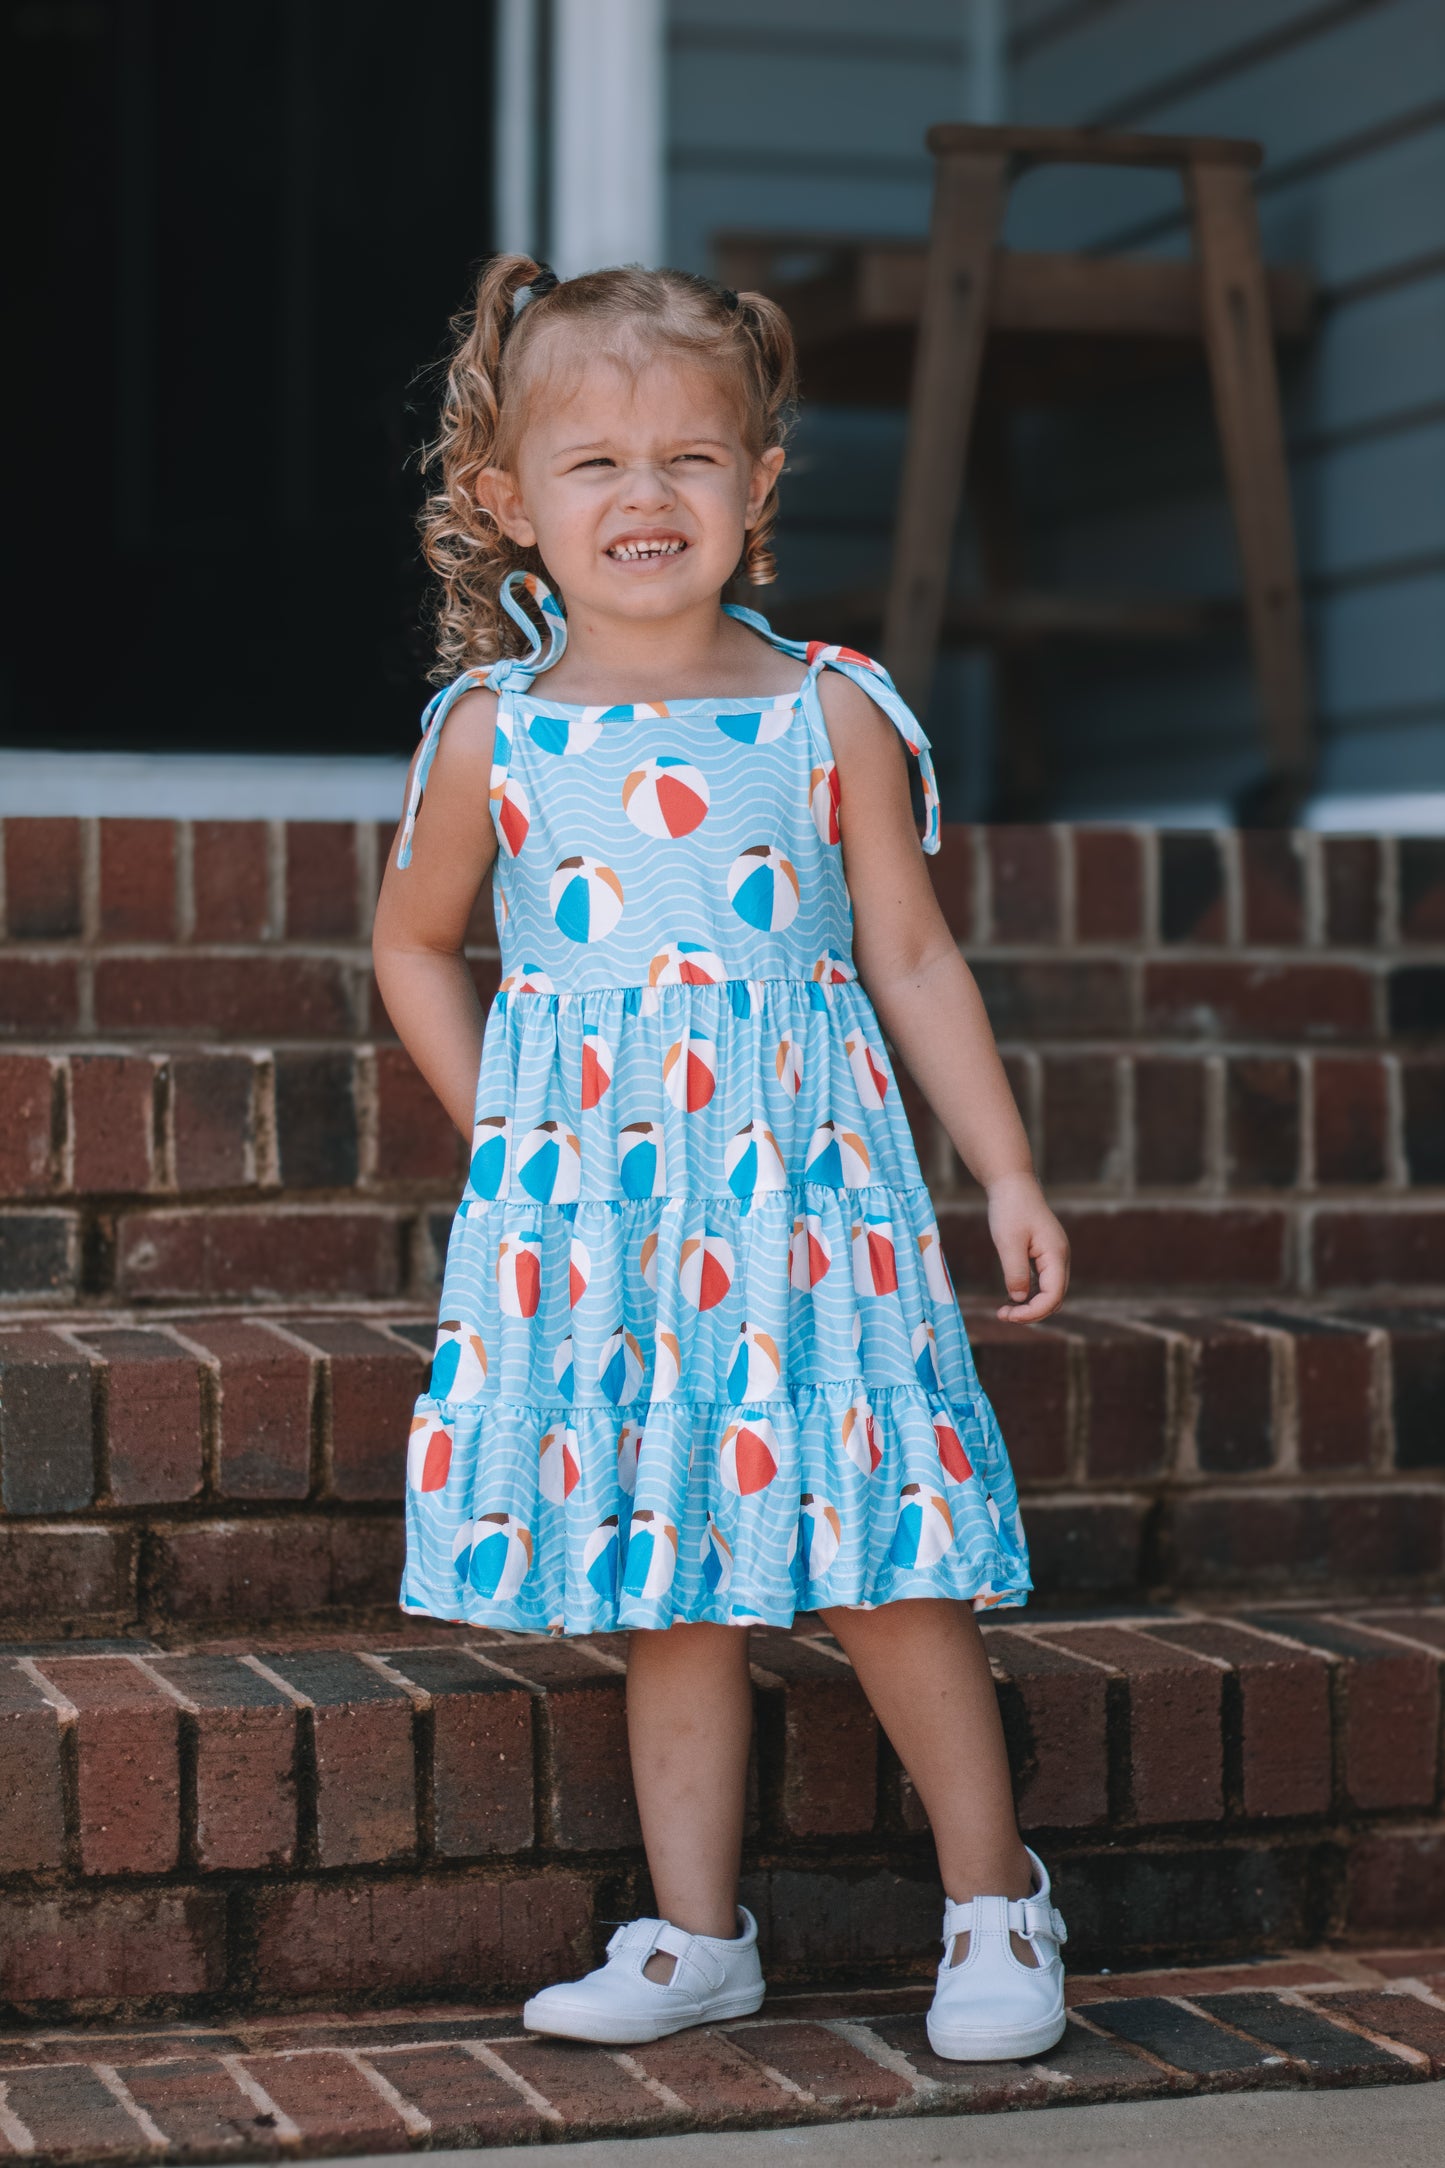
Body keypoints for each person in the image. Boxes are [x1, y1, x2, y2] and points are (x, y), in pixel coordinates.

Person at [371, 256, 1072, 2062]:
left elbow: (907, 954)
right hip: (598, 1227)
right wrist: (510, 1139)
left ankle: (994, 1899)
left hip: (811, 1212)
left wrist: (996, 1165)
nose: (645, 496)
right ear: (506, 501)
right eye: (593, 464)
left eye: (691, 458)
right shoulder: (492, 732)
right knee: (662, 1572)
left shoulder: (823, 708)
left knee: (885, 1552)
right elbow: (411, 945)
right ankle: (697, 1939)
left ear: (758, 490)